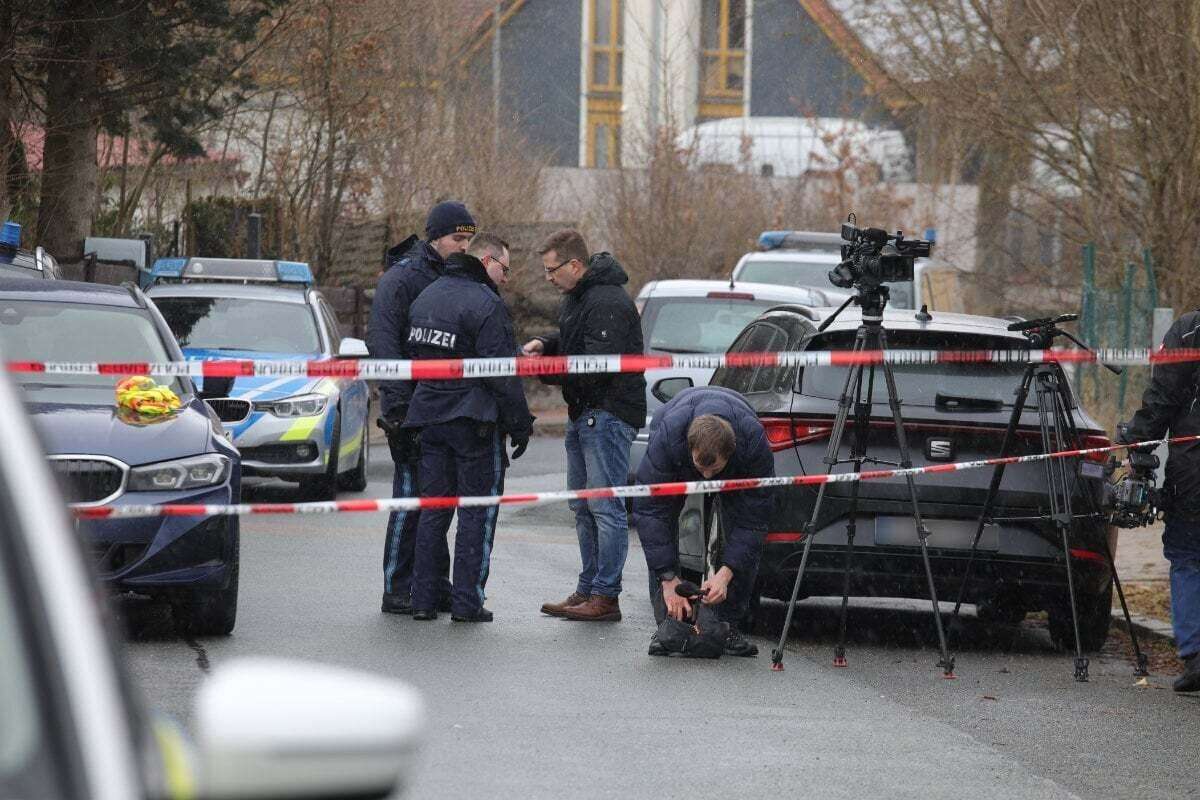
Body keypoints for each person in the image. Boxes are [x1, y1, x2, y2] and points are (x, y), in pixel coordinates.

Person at [402, 232, 533, 622]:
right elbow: (502, 374)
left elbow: (414, 357)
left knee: (434, 512)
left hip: (428, 417)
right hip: (474, 422)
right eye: (504, 269)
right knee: (476, 514)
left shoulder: (427, 296)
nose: (506, 279)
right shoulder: (486, 303)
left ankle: (423, 600)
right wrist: (520, 423)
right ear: (487, 260)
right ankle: (466, 602)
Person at [523, 229, 645, 622]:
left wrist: (547, 371)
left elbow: (595, 364)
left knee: (604, 507)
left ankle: (605, 596)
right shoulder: (579, 298)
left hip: (607, 414)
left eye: (551, 269)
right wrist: (547, 343)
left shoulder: (607, 300)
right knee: (583, 506)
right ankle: (589, 586)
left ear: (575, 265)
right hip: (585, 413)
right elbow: (576, 339)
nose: (548, 277)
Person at [367, 200, 477, 615]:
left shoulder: (449, 275)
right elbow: (385, 345)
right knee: (412, 502)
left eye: (469, 239)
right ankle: (397, 584)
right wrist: (397, 410)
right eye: (457, 238)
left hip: (442, 407)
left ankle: (431, 583)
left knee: (437, 505)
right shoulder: (402, 279)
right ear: (435, 237)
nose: (463, 246)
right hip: (412, 408)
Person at [632, 386, 774, 657]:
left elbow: (753, 521)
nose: (707, 478)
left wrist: (726, 573)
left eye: (715, 469)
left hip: (738, 462)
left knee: (739, 535)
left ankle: (727, 625)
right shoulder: (669, 439)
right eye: (701, 467)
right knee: (663, 529)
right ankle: (668, 627)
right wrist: (668, 579)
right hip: (675, 446)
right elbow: (651, 513)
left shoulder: (752, 443)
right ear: (690, 449)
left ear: (730, 455)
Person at [1120, 310, 1200, 692]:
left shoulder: (1190, 330)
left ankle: (1196, 655)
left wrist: (1136, 446)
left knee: (1188, 556)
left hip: (1194, 465)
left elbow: (1162, 398)